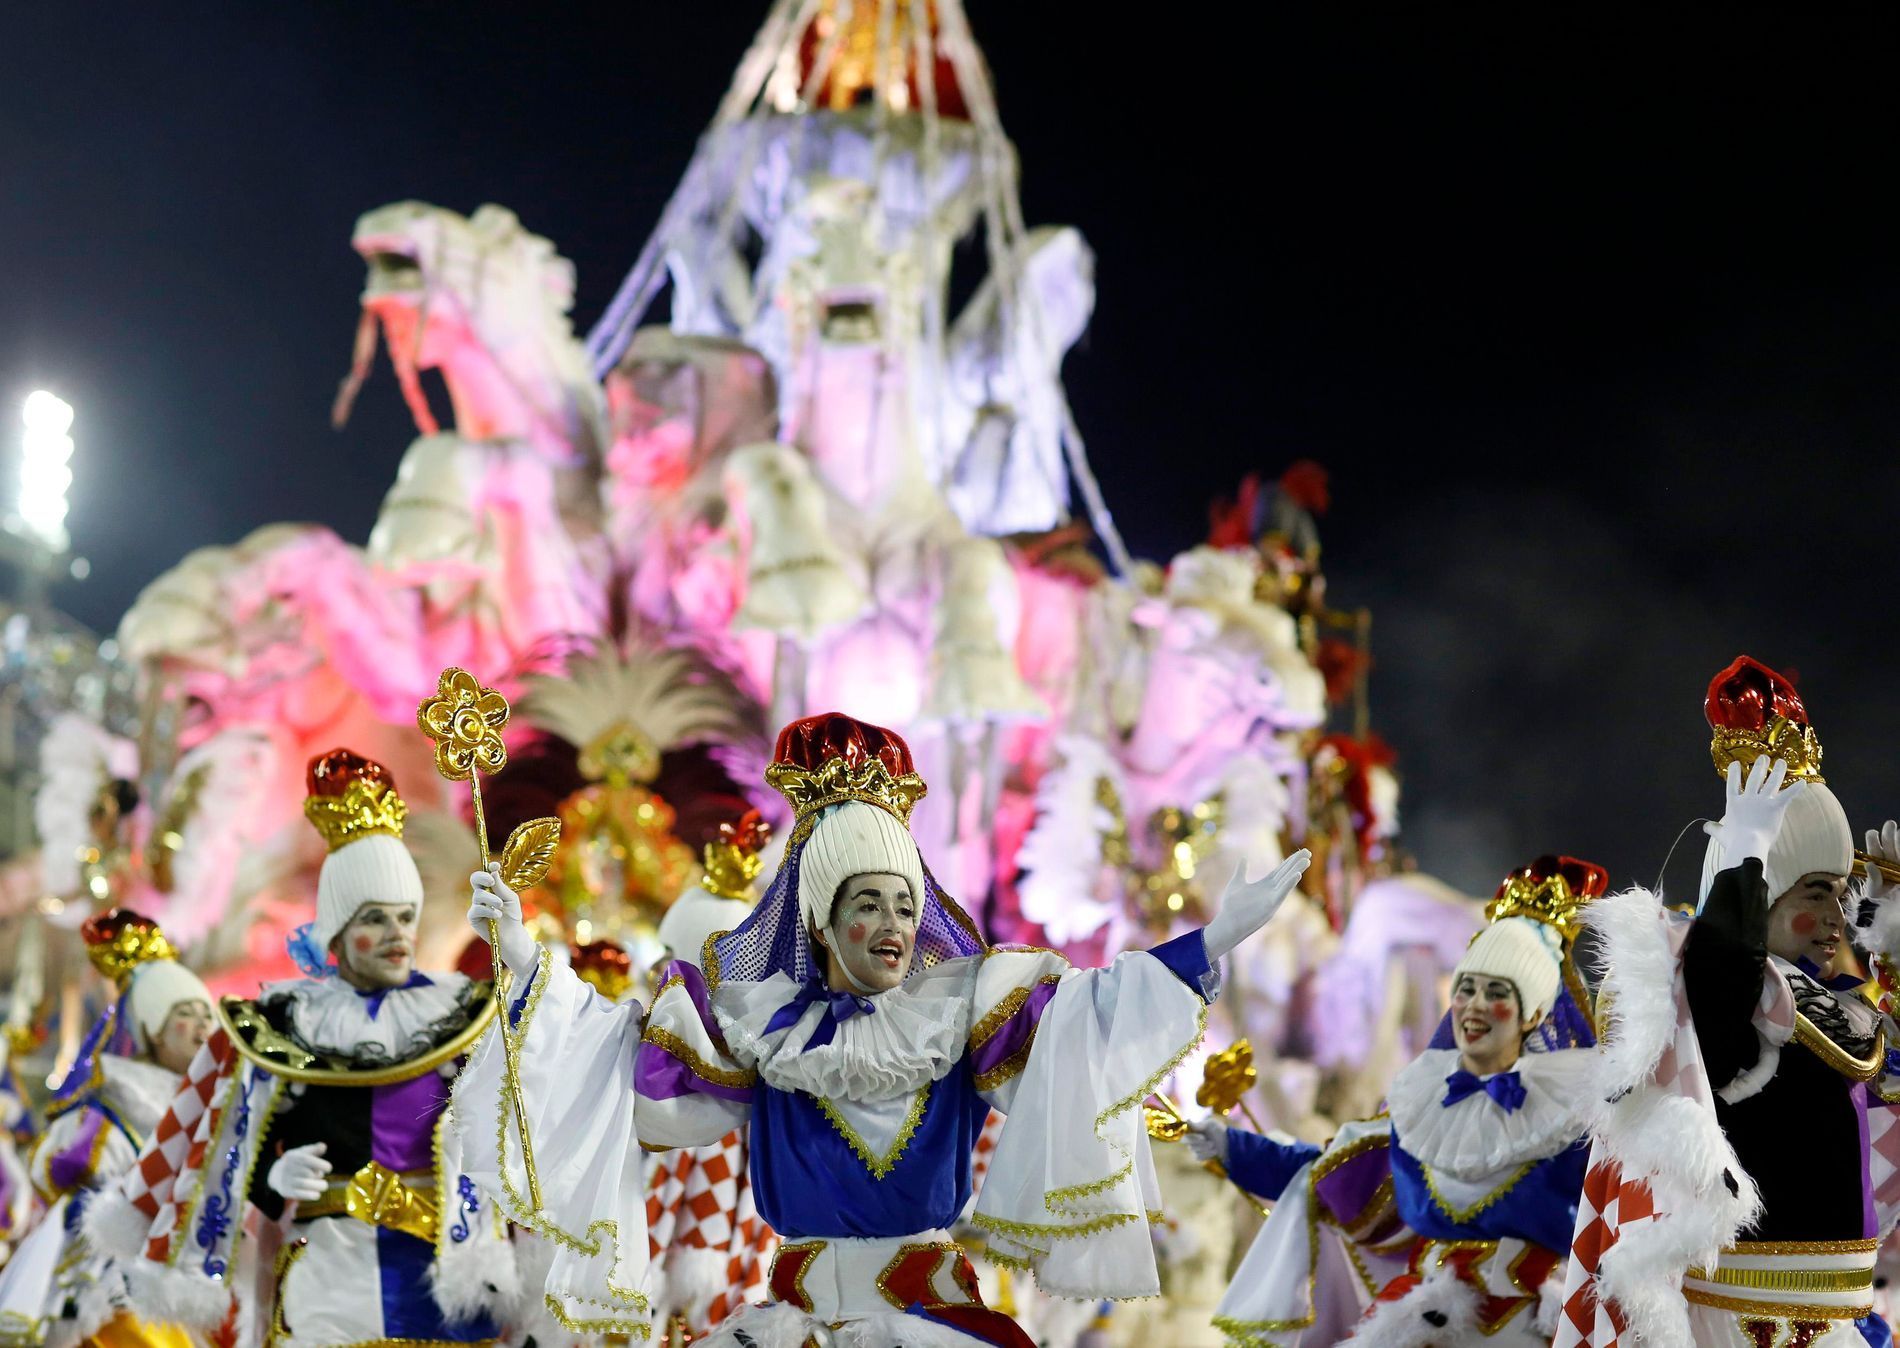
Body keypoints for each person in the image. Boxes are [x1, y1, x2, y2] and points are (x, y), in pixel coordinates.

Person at [456, 711, 1310, 1346]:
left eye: (906, 903)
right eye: (868, 903)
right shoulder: (755, 1025)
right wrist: (526, 960)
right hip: (793, 1323)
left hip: (935, 1323)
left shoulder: (967, 1010)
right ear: (821, 923)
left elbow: (1095, 1018)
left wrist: (1211, 941)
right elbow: (630, 1080)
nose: (896, 924)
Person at [86, 750, 516, 1348]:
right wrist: (272, 1177)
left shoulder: (461, 1018)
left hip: (442, 1274)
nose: (396, 935)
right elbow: (231, 1147)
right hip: (329, 1276)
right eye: (375, 919)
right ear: (338, 931)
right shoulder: (287, 1026)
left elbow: (530, 1108)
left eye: (405, 917)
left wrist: (519, 950)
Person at [1557, 656, 1896, 1348]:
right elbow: (1720, 984)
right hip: (1743, 1323)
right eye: (1817, 893)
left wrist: (1891, 945)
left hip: (1834, 1319)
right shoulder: (1717, 996)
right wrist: (1743, 856)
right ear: (1759, 894)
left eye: (1843, 895)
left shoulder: (1824, 1005)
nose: (1838, 917)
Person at [1197, 855, 1602, 1346]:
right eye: (1466, 988)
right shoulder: (1424, 1104)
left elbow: (1623, 1215)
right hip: (1420, 1317)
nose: (1474, 1006)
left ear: (1533, 1014)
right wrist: (1232, 1148)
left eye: (1496, 992)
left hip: (1529, 1328)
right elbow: (1331, 1176)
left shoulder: (1577, 1113)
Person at [0, 909, 212, 1348]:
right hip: (107, 1287)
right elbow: (56, 1173)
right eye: (185, 1014)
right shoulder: (110, 1112)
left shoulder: (207, 1108)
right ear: (153, 1031)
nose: (202, 1028)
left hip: (181, 1276)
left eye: (206, 1015)